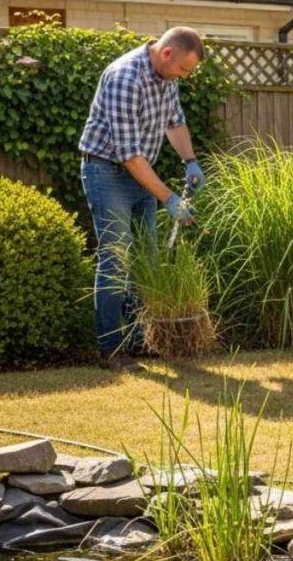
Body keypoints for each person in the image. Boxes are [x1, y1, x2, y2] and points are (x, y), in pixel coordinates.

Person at [79, 26, 206, 372]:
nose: (185, 76)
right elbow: (130, 155)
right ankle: (112, 350)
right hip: (108, 174)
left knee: (144, 261)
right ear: (167, 54)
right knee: (116, 261)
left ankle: (140, 340)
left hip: (141, 174)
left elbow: (175, 123)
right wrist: (168, 198)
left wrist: (190, 160)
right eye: (184, 69)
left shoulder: (168, 77)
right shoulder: (125, 77)